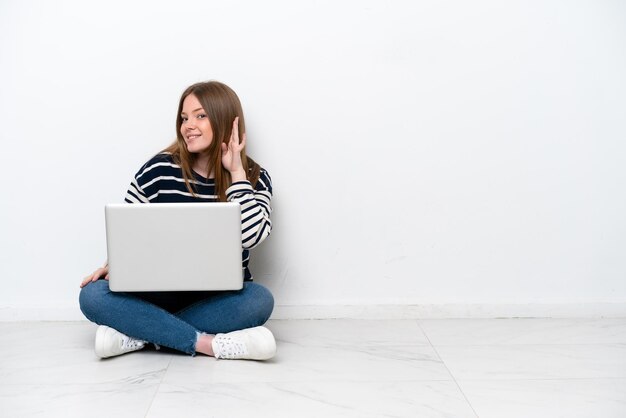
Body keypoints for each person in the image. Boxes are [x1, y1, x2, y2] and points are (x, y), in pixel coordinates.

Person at [79, 81, 276, 361]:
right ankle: (206, 343)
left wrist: (237, 175)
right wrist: (113, 267)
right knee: (92, 295)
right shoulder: (158, 169)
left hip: (216, 299)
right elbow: (128, 233)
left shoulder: (255, 177)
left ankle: (140, 333)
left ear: (225, 120)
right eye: (184, 118)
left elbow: (252, 237)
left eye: (199, 115)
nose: (188, 125)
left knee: (260, 301)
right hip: (154, 295)